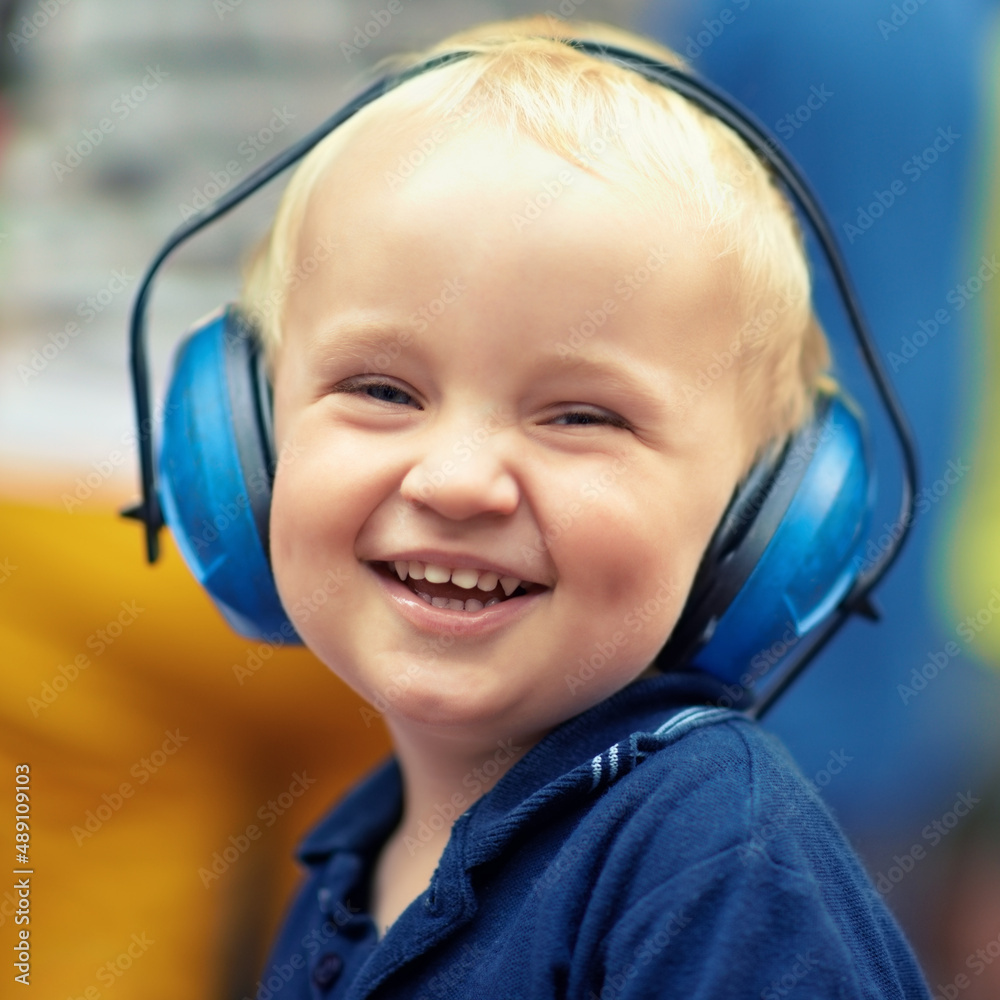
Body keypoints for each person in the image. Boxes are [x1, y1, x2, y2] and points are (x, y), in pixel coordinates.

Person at [195, 16, 931, 998]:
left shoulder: (713, 854)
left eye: (580, 416)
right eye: (382, 391)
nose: (456, 479)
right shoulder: (351, 864)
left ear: (761, 525)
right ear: (245, 444)